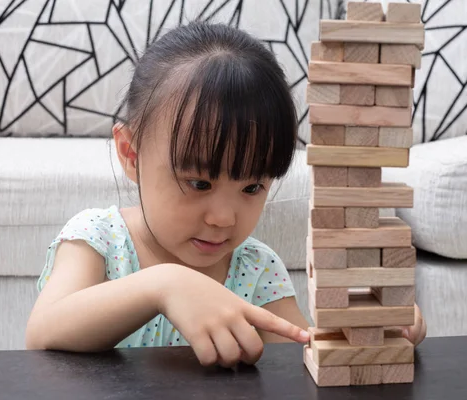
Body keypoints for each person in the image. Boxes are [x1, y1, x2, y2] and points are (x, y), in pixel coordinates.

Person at [25, 21, 426, 368]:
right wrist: (163, 285)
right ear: (132, 154)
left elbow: (301, 350)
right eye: (199, 183)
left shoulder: (255, 269)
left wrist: (367, 329)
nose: (224, 218)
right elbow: (43, 332)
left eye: (252, 187)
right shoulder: (99, 240)